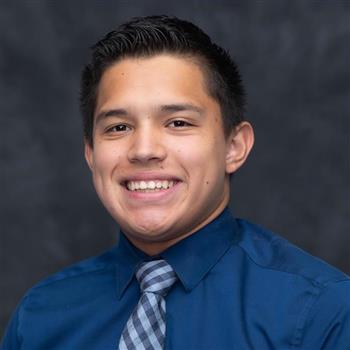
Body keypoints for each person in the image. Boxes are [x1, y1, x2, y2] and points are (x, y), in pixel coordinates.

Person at [1, 15, 349, 350]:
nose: (144, 150)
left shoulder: (323, 312)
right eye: (118, 127)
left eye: (178, 122)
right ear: (91, 154)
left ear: (234, 146)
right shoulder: (40, 318)